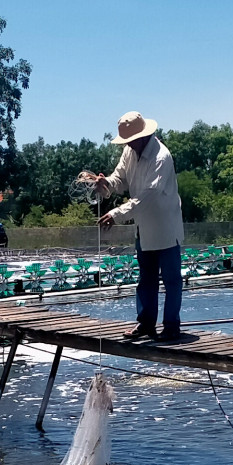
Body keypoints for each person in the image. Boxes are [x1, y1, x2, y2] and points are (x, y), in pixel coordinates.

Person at [83, 111, 192, 343]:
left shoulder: (162, 157)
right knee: (146, 279)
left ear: (144, 136)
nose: (129, 144)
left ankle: (171, 326)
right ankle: (145, 323)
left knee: (172, 280)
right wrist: (106, 184)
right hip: (144, 227)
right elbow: (120, 180)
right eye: (127, 141)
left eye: (131, 140)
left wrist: (116, 213)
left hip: (166, 225)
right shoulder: (129, 152)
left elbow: (147, 197)